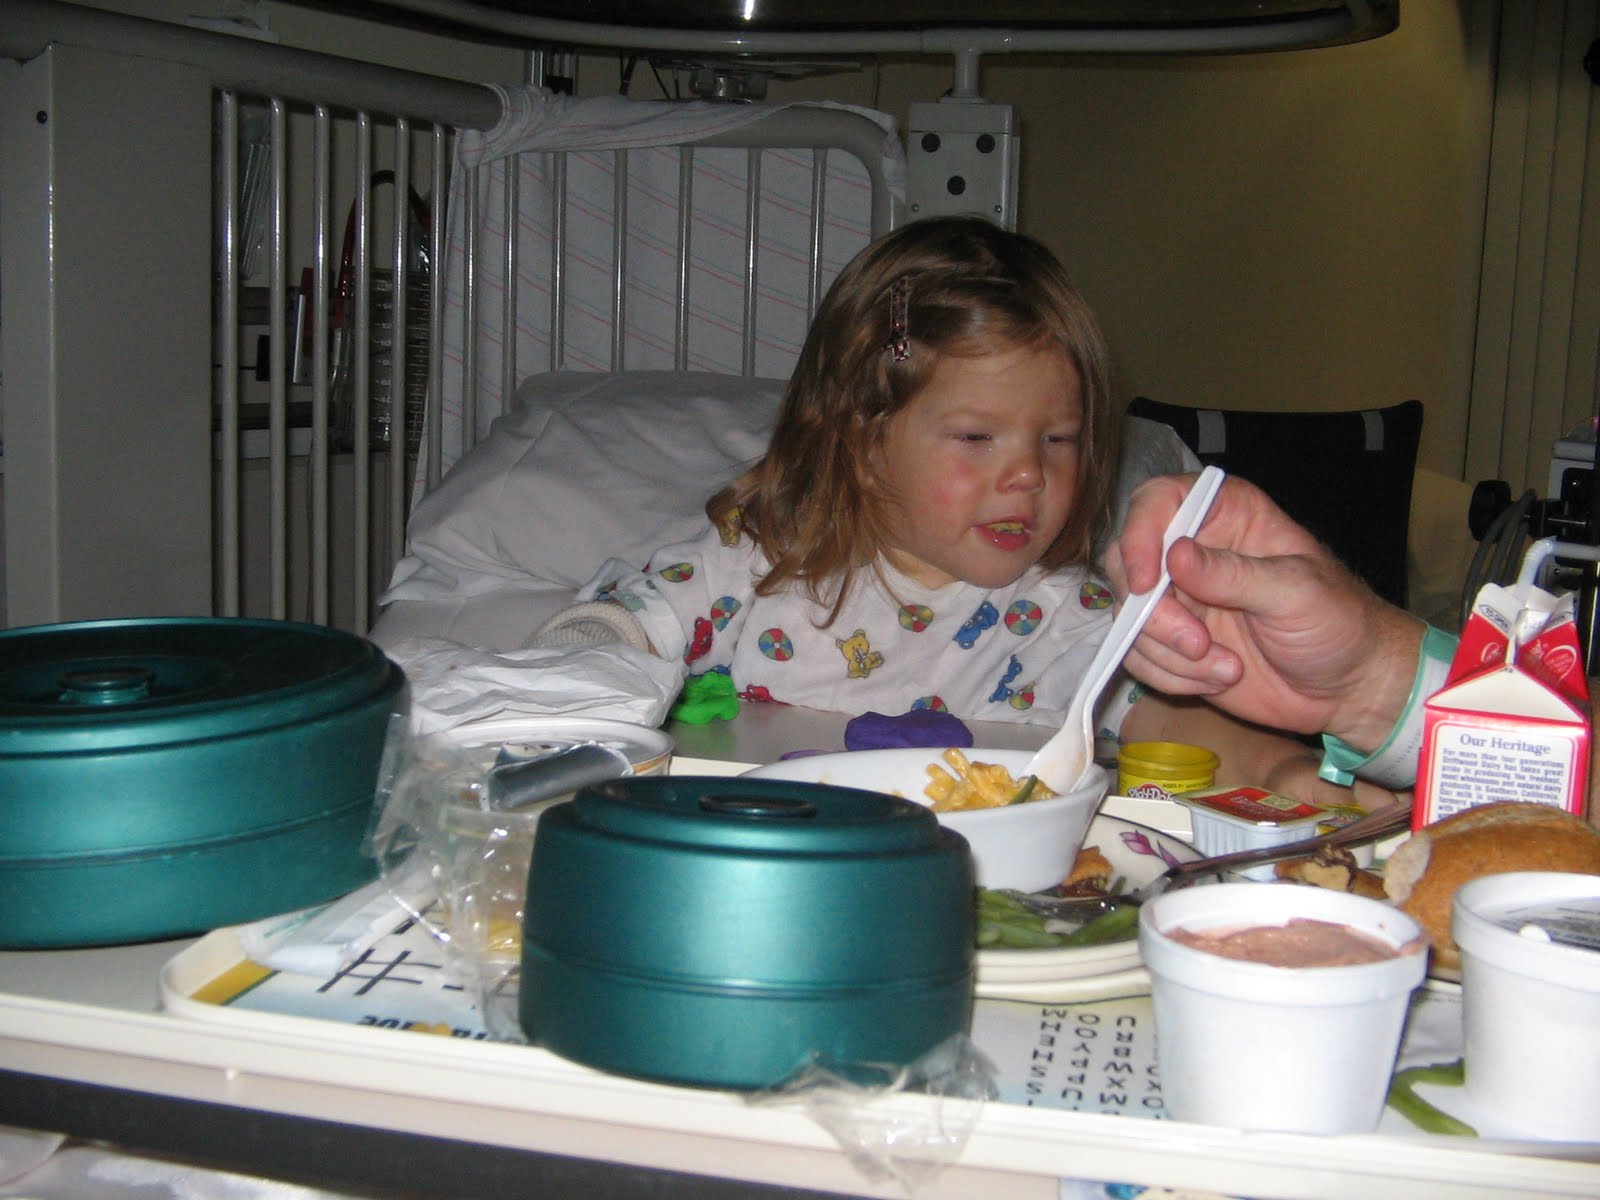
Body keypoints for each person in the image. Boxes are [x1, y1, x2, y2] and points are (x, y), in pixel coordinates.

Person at [537, 216, 1398, 812]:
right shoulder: (762, 565)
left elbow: (1171, 720)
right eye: (978, 437)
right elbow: (617, 627)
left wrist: (1284, 769)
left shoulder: (1058, 615)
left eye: (1059, 440)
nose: (1026, 474)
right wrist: (558, 702)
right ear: (862, 439)